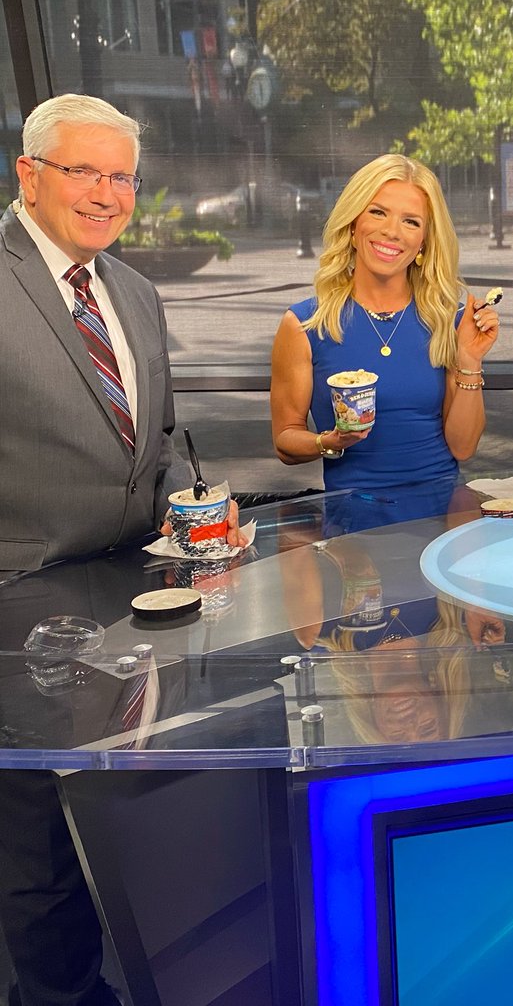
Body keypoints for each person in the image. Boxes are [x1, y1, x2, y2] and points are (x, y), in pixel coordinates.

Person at [0, 93, 242, 1005]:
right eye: (83, 171)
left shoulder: (132, 293)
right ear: (29, 174)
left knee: (133, 817)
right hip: (16, 604)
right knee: (39, 856)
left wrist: (198, 512)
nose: (105, 193)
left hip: (139, 598)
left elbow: (164, 438)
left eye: (121, 177)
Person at [270, 154, 499, 490]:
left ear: (423, 242)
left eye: (411, 221)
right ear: (353, 225)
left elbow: (463, 448)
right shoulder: (305, 325)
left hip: (440, 514)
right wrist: (330, 442)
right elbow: (285, 442)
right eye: (378, 212)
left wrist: (469, 360)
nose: (392, 232)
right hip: (354, 524)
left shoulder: (449, 321)